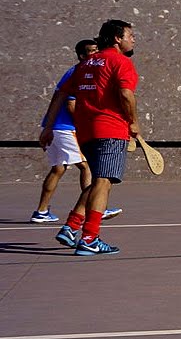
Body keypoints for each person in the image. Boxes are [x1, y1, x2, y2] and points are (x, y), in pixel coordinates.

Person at [40, 19, 141, 256]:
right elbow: (126, 94)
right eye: (130, 35)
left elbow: (61, 94)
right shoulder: (120, 62)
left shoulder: (85, 64)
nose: (133, 40)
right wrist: (134, 121)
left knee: (98, 180)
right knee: (103, 182)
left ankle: (71, 227)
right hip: (110, 130)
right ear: (117, 38)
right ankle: (89, 238)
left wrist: (48, 127)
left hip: (85, 132)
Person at [31, 39, 122, 224]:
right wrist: (87, 125)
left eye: (97, 50)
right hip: (65, 128)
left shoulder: (77, 71)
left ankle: (41, 211)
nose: (95, 54)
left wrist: (48, 127)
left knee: (58, 169)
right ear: (81, 56)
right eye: (91, 51)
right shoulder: (81, 72)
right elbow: (71, 105)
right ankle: (96, 208)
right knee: (87, 166)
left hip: (54, 127)